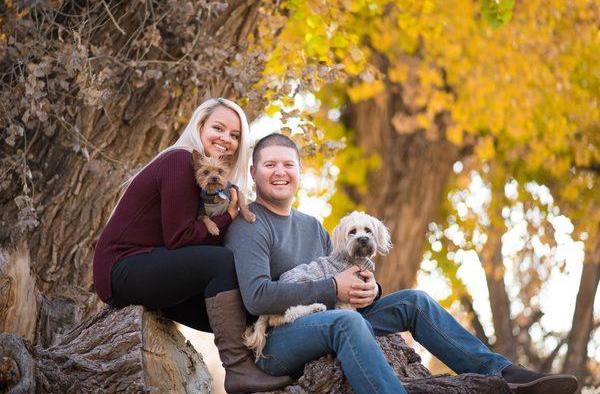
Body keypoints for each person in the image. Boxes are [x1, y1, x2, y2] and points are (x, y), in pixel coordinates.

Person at [224, 133, 579, 394]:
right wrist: (334, 288)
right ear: (253, 173)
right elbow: (257, 297)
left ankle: (508, 376)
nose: (280, 172)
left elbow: (341, 276)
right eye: (270, 165)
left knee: (415, 300)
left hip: (329, 318)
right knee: (346, 321)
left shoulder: (312, 226)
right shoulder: (250, 225)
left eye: (288, 164)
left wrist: (371, 292)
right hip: (274, 343)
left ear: (299, 171)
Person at [92, 99, 292, 393]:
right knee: (220, 262)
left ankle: (273, 363)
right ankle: (237, 371)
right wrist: (229, 216)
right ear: (200, 127)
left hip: (155, 269)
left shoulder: (208, 182)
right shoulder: (180, 161)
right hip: (123, 268)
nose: (226, 138)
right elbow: (180, 238)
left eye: (235, 135)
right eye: (218, 128)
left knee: (244, 311)